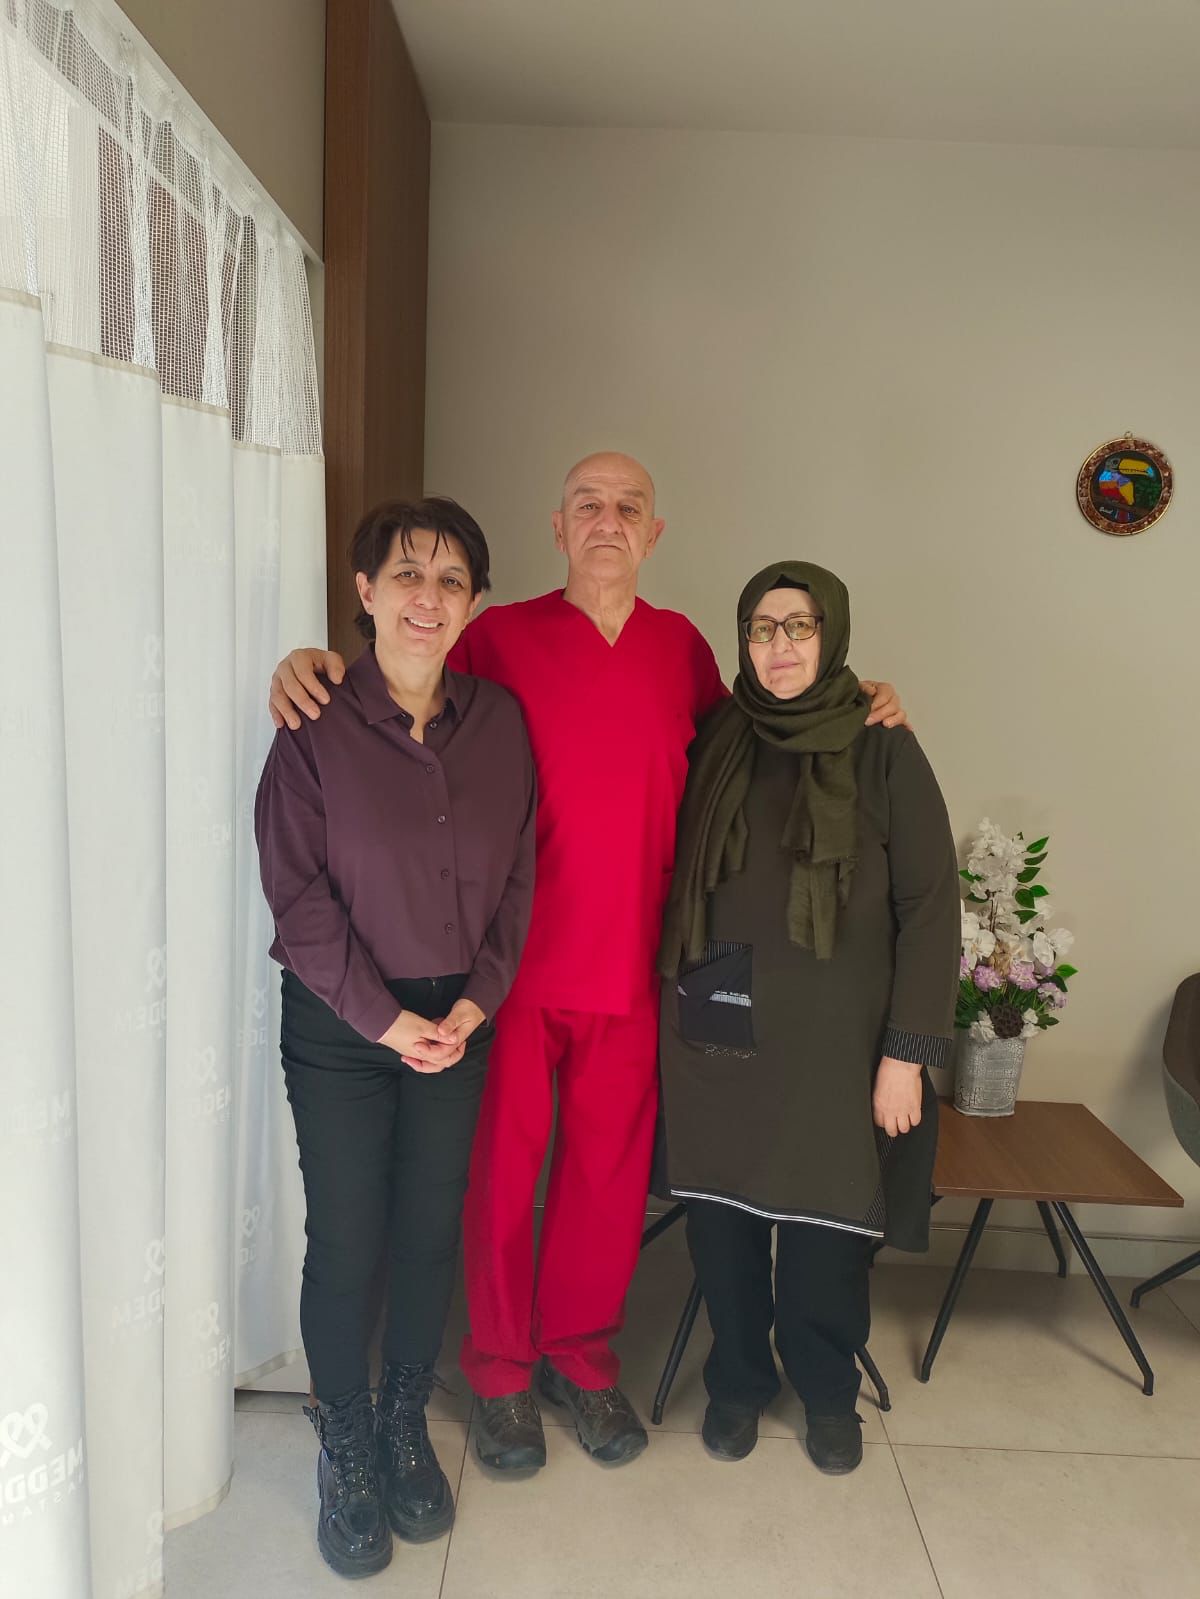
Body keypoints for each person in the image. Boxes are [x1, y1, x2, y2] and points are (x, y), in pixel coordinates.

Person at [267, 454, 908, 1475]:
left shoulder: (682, 649)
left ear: (654, 534)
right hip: (506, 971)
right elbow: (405, 673)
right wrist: (310, 662)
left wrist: (855, 695)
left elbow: (762, 741)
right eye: (587, 505)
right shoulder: (498, 637)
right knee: (497, 1178)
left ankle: (578, 1355)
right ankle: (498, 1374)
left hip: (644, 966)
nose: (607, 521)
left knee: (606, 1181)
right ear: (558, 528)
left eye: (628, 507)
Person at [254, 498, 535, 1578]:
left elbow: (520, 875)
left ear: (475, 603)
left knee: (427, 1230)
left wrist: (477, 1002)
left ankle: (405, 1418)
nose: (429, 596)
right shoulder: (312, 725)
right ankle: (346, 1441)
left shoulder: (501, 723)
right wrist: (385, 1019)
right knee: (348, 1236)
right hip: (341, 1025)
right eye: (407, 574)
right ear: (364, 591)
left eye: (452, 578)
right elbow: (297, 896)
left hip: (459, 1023)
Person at [656, 561, 959, 1476]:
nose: (779, 644)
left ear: (831, 635)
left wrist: (907, 1052)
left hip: (840, 1040)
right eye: (762, 627)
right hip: (717, 1009)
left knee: (829, 1231)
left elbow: (931, 904)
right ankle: (739, 1381)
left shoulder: (882, 746)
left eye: (799, 625)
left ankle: (827, 1389)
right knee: (721, 1221)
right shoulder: (716, 734)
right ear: (742, 641)